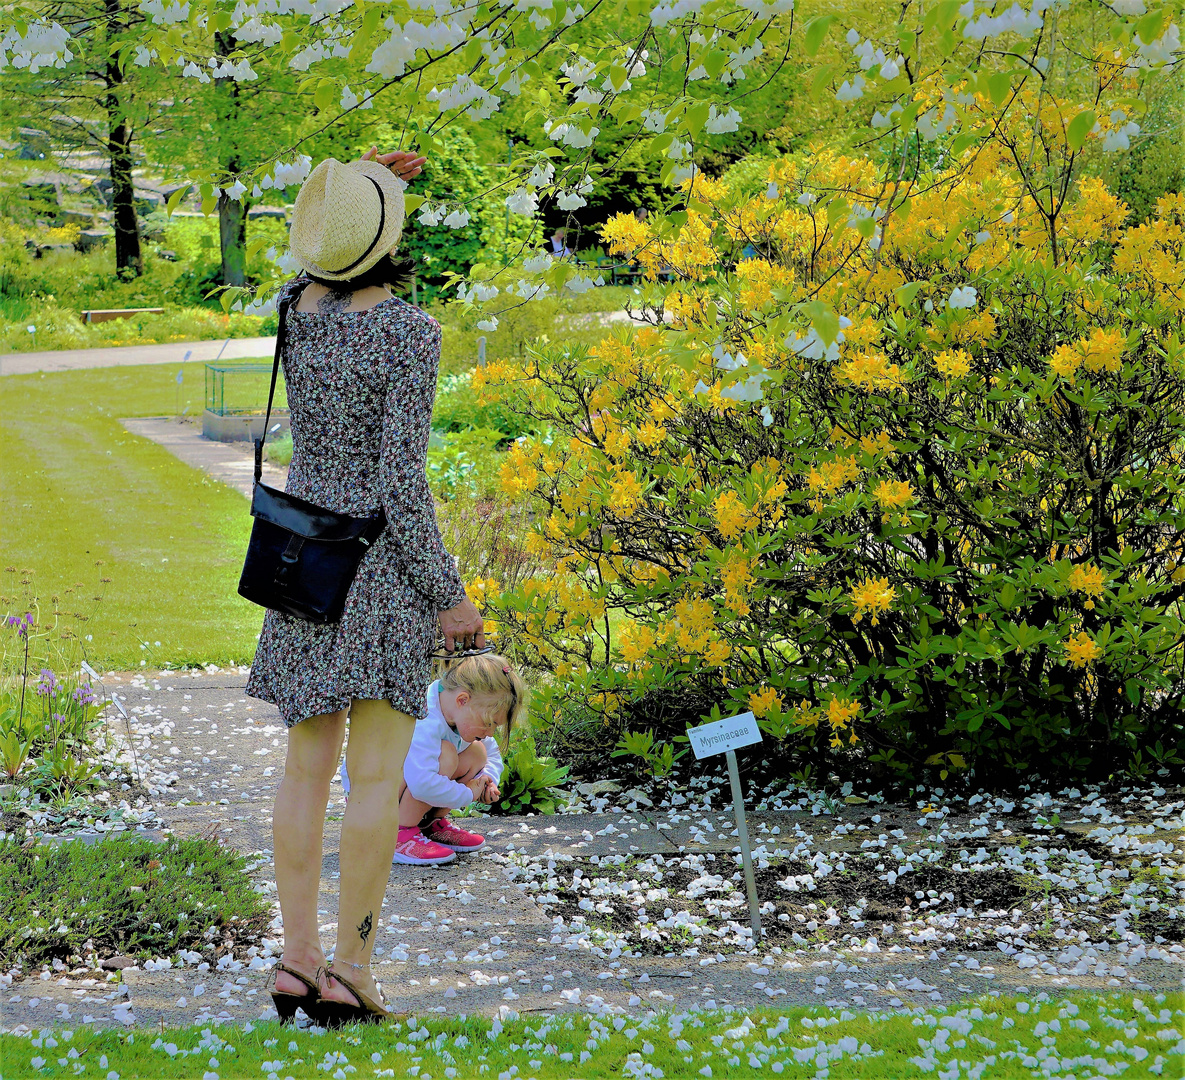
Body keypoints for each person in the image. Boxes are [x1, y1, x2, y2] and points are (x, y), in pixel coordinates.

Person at [245, 146, 485, 1027]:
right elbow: (398, 484)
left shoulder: (291, 310)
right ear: (389, 237)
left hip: (305, 553)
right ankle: (353, 969)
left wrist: (365, 186)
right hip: (379, 568)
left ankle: (295, 961)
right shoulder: (407, 332)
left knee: (304, 770)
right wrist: (448, 593)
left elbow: (323, 258)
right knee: (376, 780)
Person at [339, 653, 527, 864]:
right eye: (490, 722)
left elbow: (491, 753)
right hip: (369, 794)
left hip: (399, 785)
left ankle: (429, 823)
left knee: (477, 752)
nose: (491, 732)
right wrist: (467, 794)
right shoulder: (425, 717)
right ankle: (397, 834)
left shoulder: (457, 712)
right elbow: (422, 785)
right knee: (446, 754)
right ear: (462, 700)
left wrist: (487, 780)